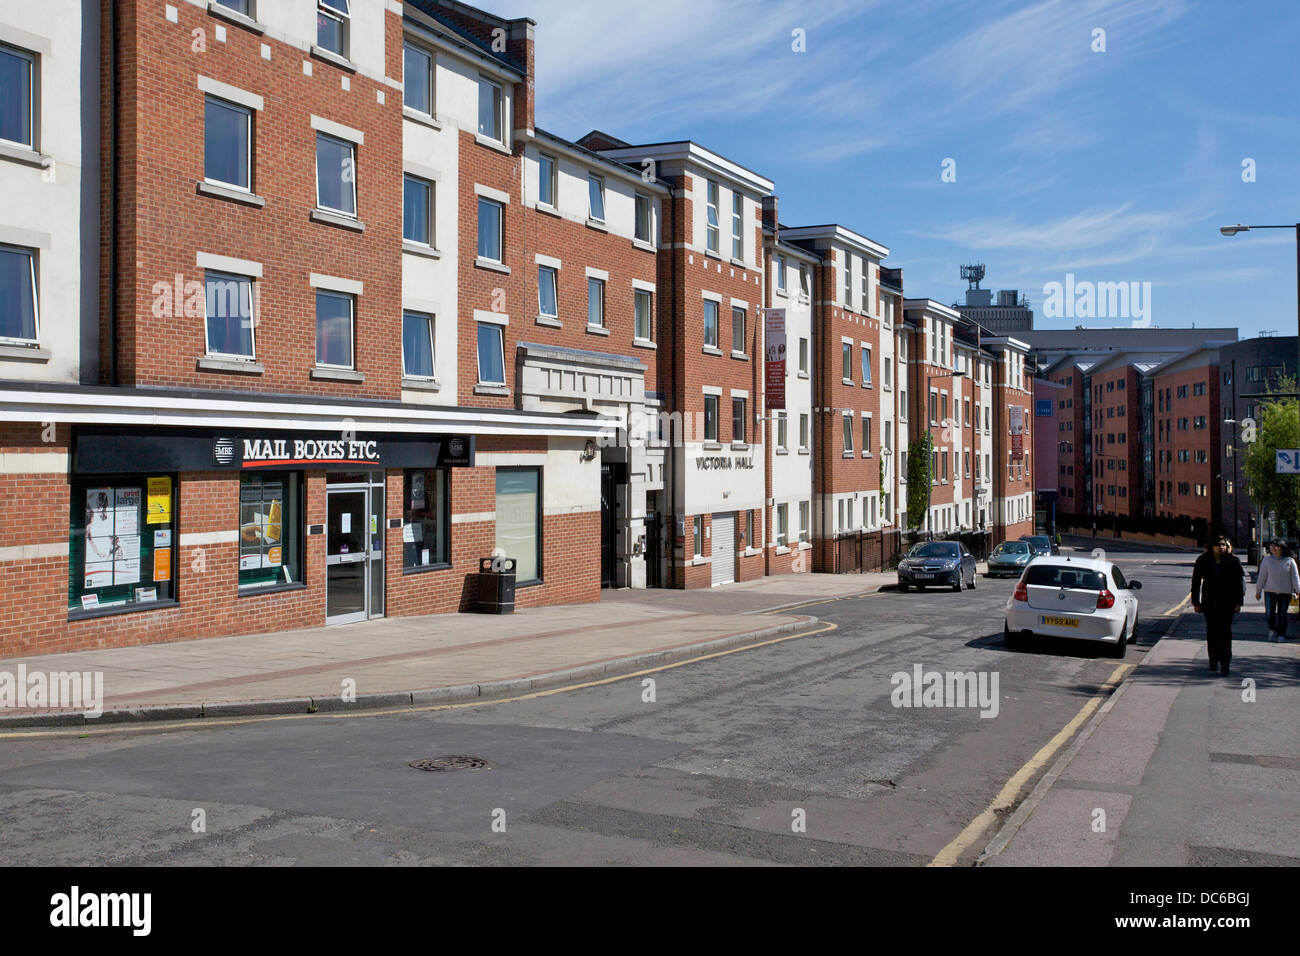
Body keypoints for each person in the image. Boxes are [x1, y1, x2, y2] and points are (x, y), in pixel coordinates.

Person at [1192, 535, 1245, 675]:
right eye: (1218, 545)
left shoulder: (1233, 561)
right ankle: (1213, 660)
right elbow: (1196, 582)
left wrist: (1239, 603)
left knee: (1226, 633)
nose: (1221, 547)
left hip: (1227, 603)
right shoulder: (1203, 560)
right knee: (1212, 632)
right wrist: (1195, 602)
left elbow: (1239, 584)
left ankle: (1226, 663)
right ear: (1212, 546)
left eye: (1223, 545)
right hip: (1209, 603)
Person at [1255, 541, 1300, 642]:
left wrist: (1298, 590)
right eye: (1271, 546)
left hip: (1285, 592)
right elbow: (1262, 576)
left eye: (1276, 546)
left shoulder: (1289, 561)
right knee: (1269, 613)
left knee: (1282, 613)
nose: (1273, 548)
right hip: (1270, 591)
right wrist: (1258, 590)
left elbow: (1295, 577)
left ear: (1282, 548)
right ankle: (1272, 628)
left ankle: (1281, 634)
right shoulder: (1267, 560)